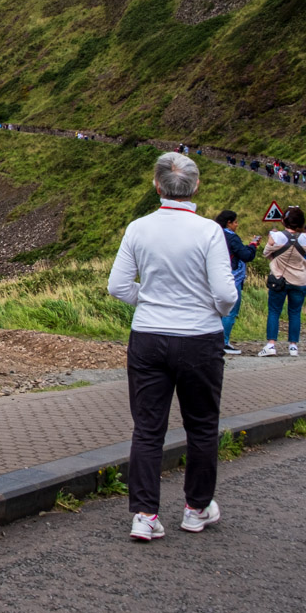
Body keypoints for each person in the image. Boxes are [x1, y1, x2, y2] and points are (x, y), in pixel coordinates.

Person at [107, 151, 236, 542]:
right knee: (202, 426)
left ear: (156, 185)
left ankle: (144, 515)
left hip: (148, 335)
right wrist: (207, 310)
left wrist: (149, 301)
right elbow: (225, 294)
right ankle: (196, 508)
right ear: (196, 186)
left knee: (148, 429)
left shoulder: (138, 228)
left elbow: (118, 286)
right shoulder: (209, 231)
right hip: (199, 338)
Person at [258, 206, 306, 357]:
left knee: (274, 311)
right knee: (295, 312)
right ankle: (293, 347)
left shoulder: (276, 237)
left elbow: (265, 253)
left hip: (279, 279)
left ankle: (271, 345)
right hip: (299, 280)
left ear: (284, 221)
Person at [215, 209, 256, 357]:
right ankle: (224, 343)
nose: (237, 225)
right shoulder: (232, 237)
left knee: (217, 311)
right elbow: (245, 255)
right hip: (233, 277)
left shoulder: (215, 234)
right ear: (229, 223)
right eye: (235, 222)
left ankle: (214, 342)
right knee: (231, 311)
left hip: (216, 276)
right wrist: (253, 246)